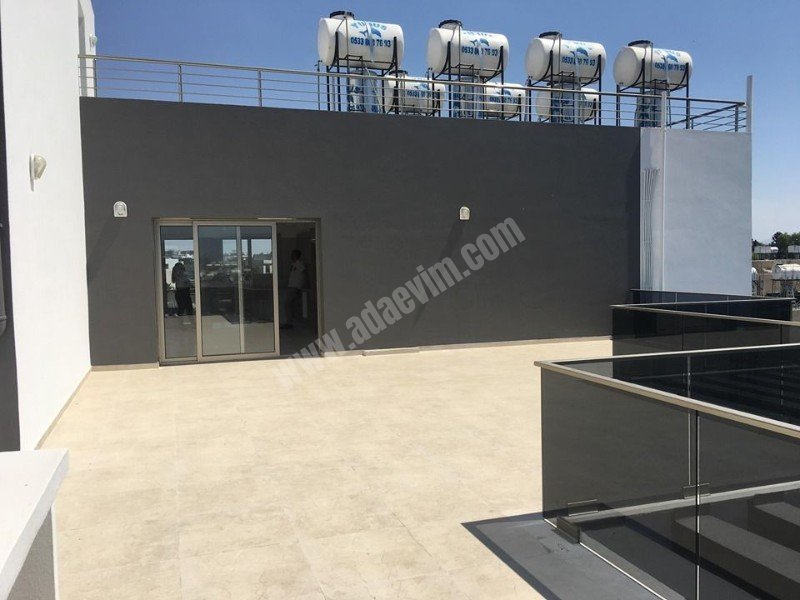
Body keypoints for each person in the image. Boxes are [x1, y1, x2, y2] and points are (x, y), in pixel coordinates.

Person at [282, 250, 306, 329]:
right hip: (292, 286)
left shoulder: (299, 264)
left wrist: (301, 285)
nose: (291, 256)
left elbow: (304, 272)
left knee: (287, 304)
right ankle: (291, 322)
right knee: (291, 305)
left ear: (295, 256)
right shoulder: (293, 264)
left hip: (295, 287)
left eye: (292, 255)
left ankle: (289, 322)